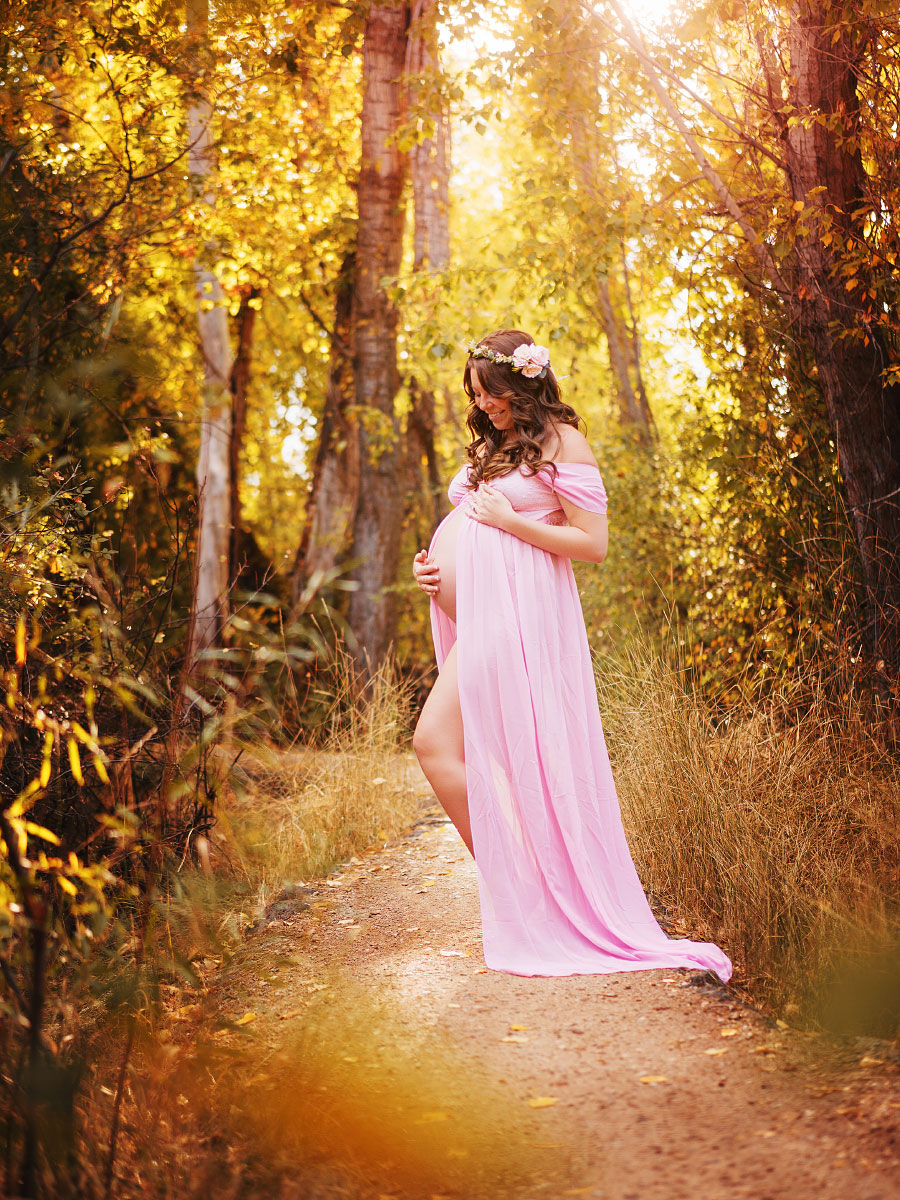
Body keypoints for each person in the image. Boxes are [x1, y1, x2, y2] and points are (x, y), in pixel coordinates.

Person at [411, 328, 732, 982]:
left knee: (433, 745)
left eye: (492, 391)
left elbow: (592, 544)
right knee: (460, 752)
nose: (484, 403)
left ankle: (525, 889)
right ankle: (524, 888)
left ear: (524, 382)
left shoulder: (565, 442)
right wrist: (437, 579)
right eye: (476, 393)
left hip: (520, 623)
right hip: (483, 619)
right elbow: (474, 535)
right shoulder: (498, 447)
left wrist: (507, 524)